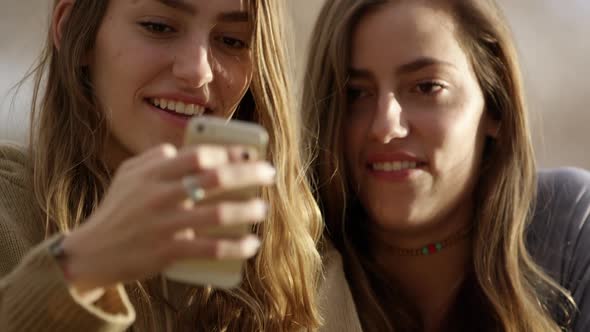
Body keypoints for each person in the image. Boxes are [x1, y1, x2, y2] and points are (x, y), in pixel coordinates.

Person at [0, 0, 324, 331]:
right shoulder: (7, 213)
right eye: (159, 27)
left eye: (232, 41)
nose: (198, 71)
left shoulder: (295, 246)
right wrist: (85, 264)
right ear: (73, 31)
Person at [303, 0, 590, 331]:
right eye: (356, 94)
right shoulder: (282, 263)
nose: (384, 127)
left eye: (426, 87)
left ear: (497, 104)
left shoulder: (568, 229)